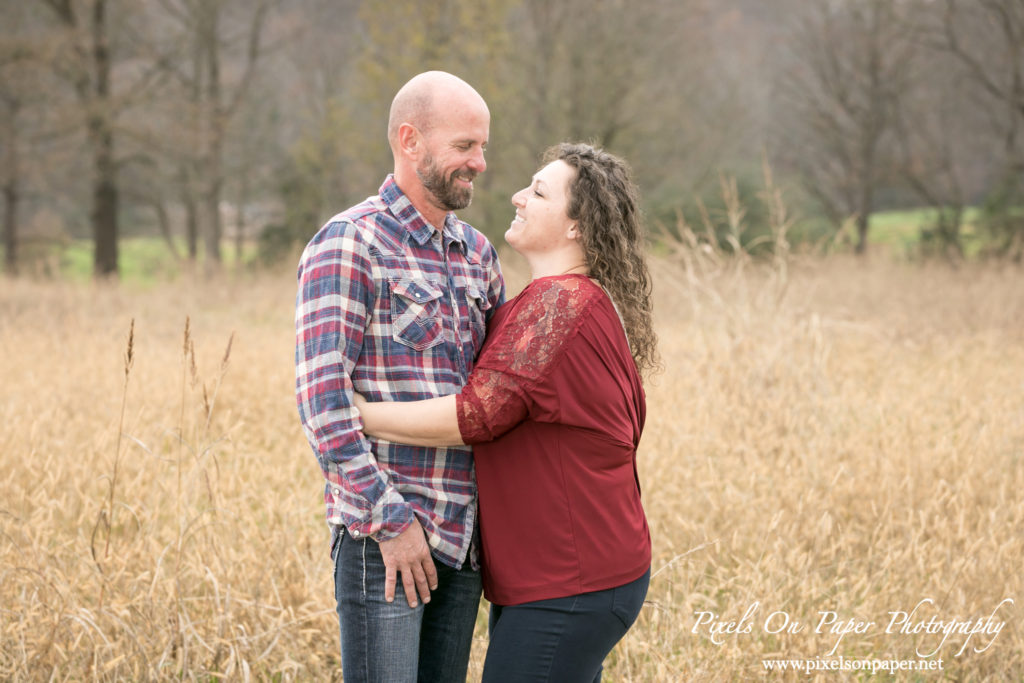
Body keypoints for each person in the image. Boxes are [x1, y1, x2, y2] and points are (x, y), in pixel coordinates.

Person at [355, 142, 659, 682]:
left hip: (572, 581)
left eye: (539, 191)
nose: (518, 195)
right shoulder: (560, 302)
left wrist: (362, 414)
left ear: (575, 226)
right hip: (578, 575)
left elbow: (475, 415)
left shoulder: (560, 305)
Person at [294, 71, 505, 683]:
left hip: (463, 539)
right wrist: (390, 521)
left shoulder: (478, 255)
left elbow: (492, 401)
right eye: (466, 146)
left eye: (483, 146)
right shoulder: (349, 243)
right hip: (383, 538)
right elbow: (323, 405)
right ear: (411, 140)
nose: (481, 163)